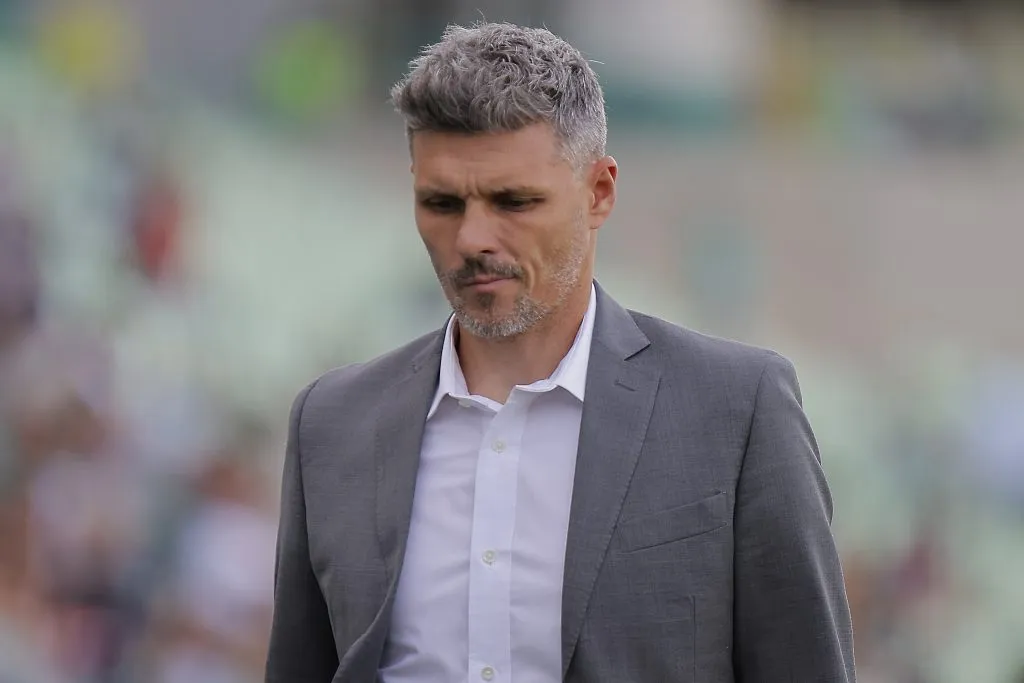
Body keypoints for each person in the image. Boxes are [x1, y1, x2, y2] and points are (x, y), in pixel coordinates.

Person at [265, 21, 856, 683]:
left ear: (599, 191)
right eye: (440, 203)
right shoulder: (330, 423)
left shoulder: (737, 410)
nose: (472, 237)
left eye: (514, 201)